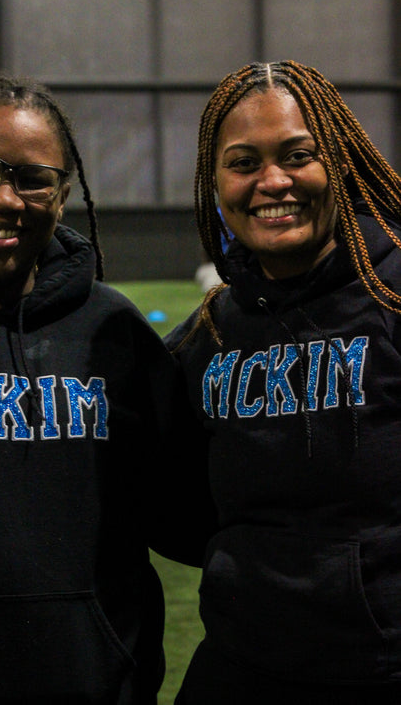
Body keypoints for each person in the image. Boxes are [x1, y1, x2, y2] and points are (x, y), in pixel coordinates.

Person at [0, 75, 210, 704]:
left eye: (33, 180)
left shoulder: (113, 334)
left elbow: (190, 516)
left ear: (62, 198)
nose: (4, 198)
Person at [166, 60, 401, 703]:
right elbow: (167, 499)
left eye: (298, 155)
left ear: (340, 163)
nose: (272, 181)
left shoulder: (393, 296)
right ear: (216, 183)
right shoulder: (206, 335)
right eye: (243, 163)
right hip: (240, 665)